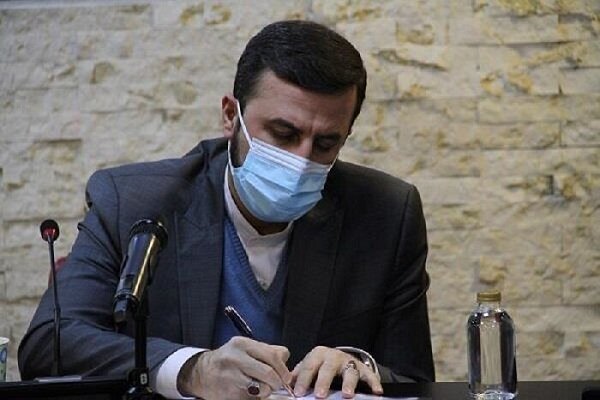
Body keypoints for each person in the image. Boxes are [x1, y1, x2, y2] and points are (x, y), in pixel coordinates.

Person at [18, 20, 434, 399]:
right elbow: (50, 343)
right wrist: (191, 369)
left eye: (326, 144)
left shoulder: (386, 214)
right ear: (231, 116)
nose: (301, 160)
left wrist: (358, 366)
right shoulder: (134, 202)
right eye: (283, 134)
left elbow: (414, 378)